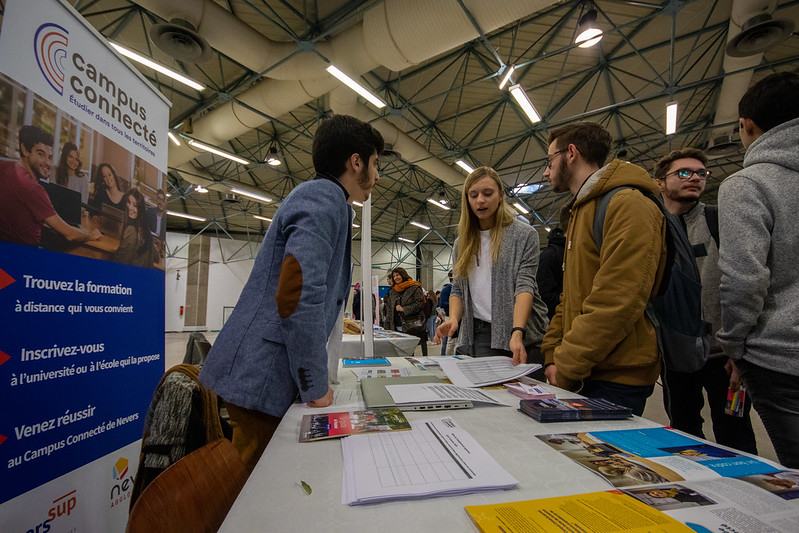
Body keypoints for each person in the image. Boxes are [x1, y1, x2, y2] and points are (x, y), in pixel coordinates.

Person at [199, 114, 383, 472]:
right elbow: (297, 295)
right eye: (375, 164)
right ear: (355, 161)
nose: (377, 176)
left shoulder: (330, 201)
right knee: (249, 496)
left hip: (266, 376)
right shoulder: (323, 197)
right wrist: (314, 385)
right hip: (262, 378)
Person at [541, 122, 667, 416]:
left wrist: (567, 363)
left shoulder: (627, 203)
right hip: (585, 368)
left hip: (616, 375)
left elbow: (618, 299)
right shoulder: (581, 211)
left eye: (549, 161)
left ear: (571, 153)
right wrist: (552, 352)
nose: (546, 172)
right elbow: (570, 296)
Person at [717, 71, 799, 468]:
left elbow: (744, 280)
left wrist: (732, 345)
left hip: (780, 357)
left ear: (747, 125)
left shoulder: (747, 185)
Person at [653, 147, 757, 454]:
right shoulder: (654, 227)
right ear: (660, 182)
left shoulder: (719, 221)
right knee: (683, 432)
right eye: (684, 172)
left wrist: (740, 349)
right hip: (676, 356)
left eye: (701, 173)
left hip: (723, 357)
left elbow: (746, 281)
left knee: (735, 432)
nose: (695, 178)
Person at [435, 166, 549, 366]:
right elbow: (459, 289)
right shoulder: (461, 243)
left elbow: (525, 285)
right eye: (474, 195)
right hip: (480, 333)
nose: (480, 200)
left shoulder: (524, 235)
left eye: (488, 193)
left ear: (501, 196)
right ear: (467, 200)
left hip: (522, 332)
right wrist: (453, 319)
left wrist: (517, 331)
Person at [0, 125, 100, 247]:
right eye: (41, 154)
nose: (47, 162)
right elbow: (70, 235)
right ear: (25, 150)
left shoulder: (3, 166)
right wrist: (90, 235)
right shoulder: (33, 189)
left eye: (50, 157)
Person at [387, 267, 428, 356]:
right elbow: (389, 309)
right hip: (396, 324)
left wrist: (404, 309)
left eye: (397, 275)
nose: (396, 278)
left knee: (411, 349)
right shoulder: (393, 291)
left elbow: (420, 304)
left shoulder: (414, 287)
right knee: (400, 350)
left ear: (403, 274)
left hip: (412, 323)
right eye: (394, 276)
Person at [114, 188, 155, 268]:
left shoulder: (132, 231)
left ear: (141, 209)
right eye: (129, 202)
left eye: (135, 205)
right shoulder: (145, 232)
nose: (130, 207)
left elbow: (121, 263)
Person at [438, 271, 453, 355]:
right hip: (449, 316)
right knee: (448, 341)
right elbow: (442, 303)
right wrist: (455, 303)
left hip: (456, 317)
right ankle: (445, 357)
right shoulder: (447, 289)